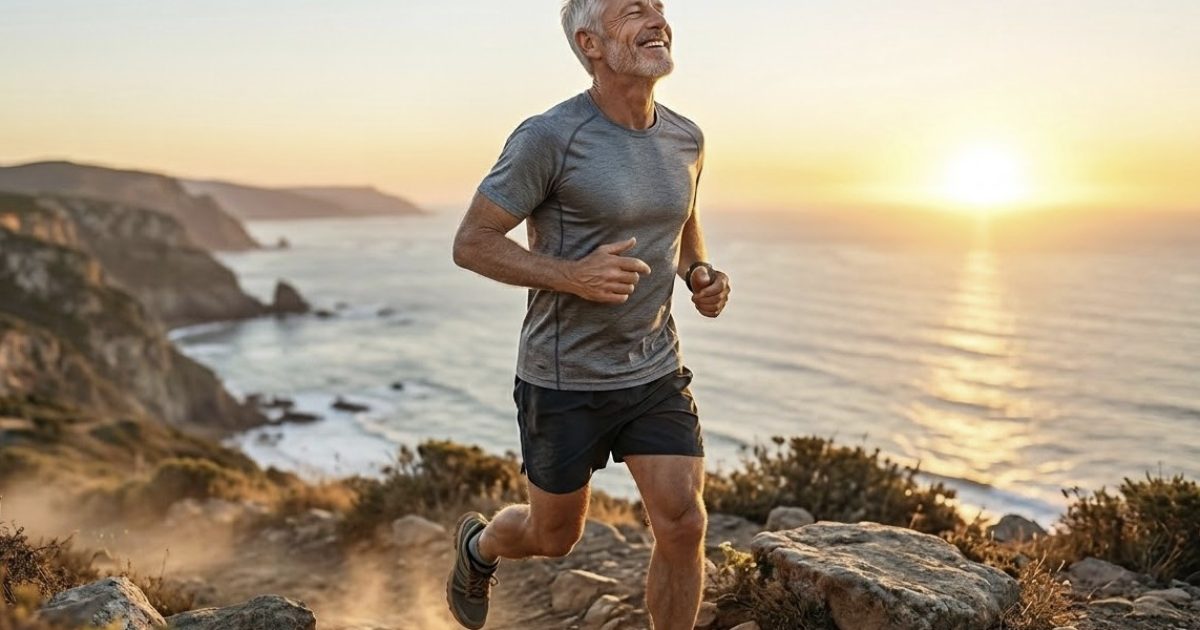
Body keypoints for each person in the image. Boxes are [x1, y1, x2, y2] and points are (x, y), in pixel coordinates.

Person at [447, 0, 730, 628]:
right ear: (591, 43)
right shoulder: (548, 137)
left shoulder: (687, 137)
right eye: (634, 10)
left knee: (684, 523)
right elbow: (472, 242)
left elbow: (683, 222)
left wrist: (699, 273)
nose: (657, 17)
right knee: (553, 536)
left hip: (653, 368)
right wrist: (571, 275)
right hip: (563, 376)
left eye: (659, 6)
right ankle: (480, 546)